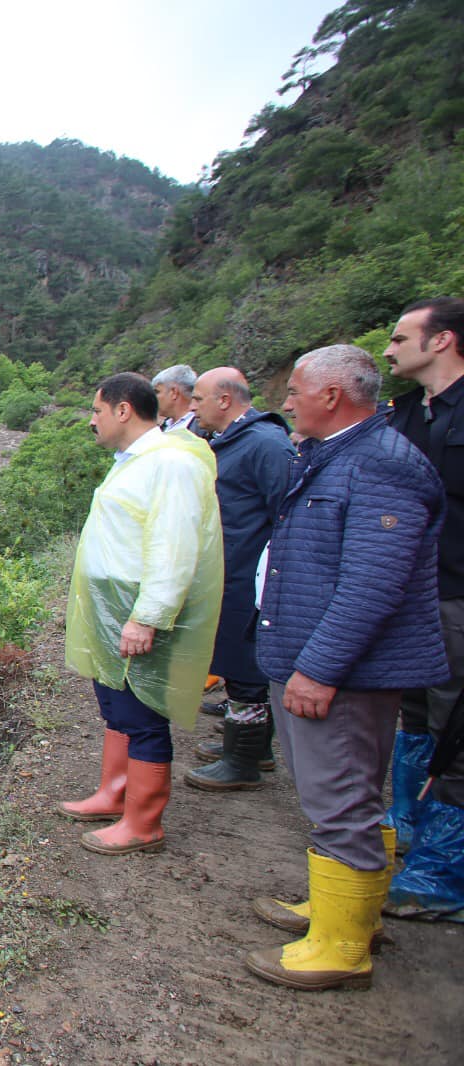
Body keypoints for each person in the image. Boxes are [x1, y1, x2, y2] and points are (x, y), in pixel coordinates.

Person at [244, 344, 448, 991]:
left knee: (342, 798)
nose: (287, 401)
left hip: (341, 672)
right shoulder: (334, 455)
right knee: (336, 793)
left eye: (296, 390)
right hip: (311, 659)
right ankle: (347, 911)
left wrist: (320, 667)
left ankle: (341, 945)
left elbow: (373, 584)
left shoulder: (382, 465)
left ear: (332, 396)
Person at [58, 373, 223, 855]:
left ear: (123, 410)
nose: (92, 420)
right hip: (112, 610)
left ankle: (144, 821)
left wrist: (147, 617)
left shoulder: (170, 463)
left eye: (96, 411)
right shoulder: (135, 460)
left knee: (143, 713)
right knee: (116, 705)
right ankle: (115, 793)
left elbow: (174, 547)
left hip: (136, 611)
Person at [380, 297, 464, 920]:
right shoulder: (405, 415)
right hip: (409, 591)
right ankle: (403, 823)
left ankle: (444, 871)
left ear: (443, 341)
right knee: (410, 708)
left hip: (458, 594)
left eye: (401, 337)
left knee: (454, 726)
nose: (389, 349)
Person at [184, 368, 295, 791]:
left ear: (225, 400)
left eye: (199, 399)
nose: (193, 407)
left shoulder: (265, 444)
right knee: (233, 659)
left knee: (248, 666)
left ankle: (244, 759)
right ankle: (246, 745)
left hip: (252, 578)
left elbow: (287, 514)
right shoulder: (234, 442)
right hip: (230, 574)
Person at [151, 364, 200, 432]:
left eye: (157, 392)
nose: (153, 398)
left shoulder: (202, 429)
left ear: (174, 392)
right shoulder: (165, 425)